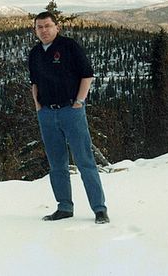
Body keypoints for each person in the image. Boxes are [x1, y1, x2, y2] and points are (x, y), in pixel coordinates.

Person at [28, 11, 109, 224]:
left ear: (57, 27)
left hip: (70, 111)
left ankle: (99, 209)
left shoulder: (69, 46)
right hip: (47, 113)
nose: (44, 30)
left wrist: (78, 102)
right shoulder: (35, 53)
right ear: (35, 30)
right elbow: (34, 82)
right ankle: (64, 207)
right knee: (57, 164)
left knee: (85, 161)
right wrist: (38, 106)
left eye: (47, 26)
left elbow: (87, 75)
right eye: (39, 27)